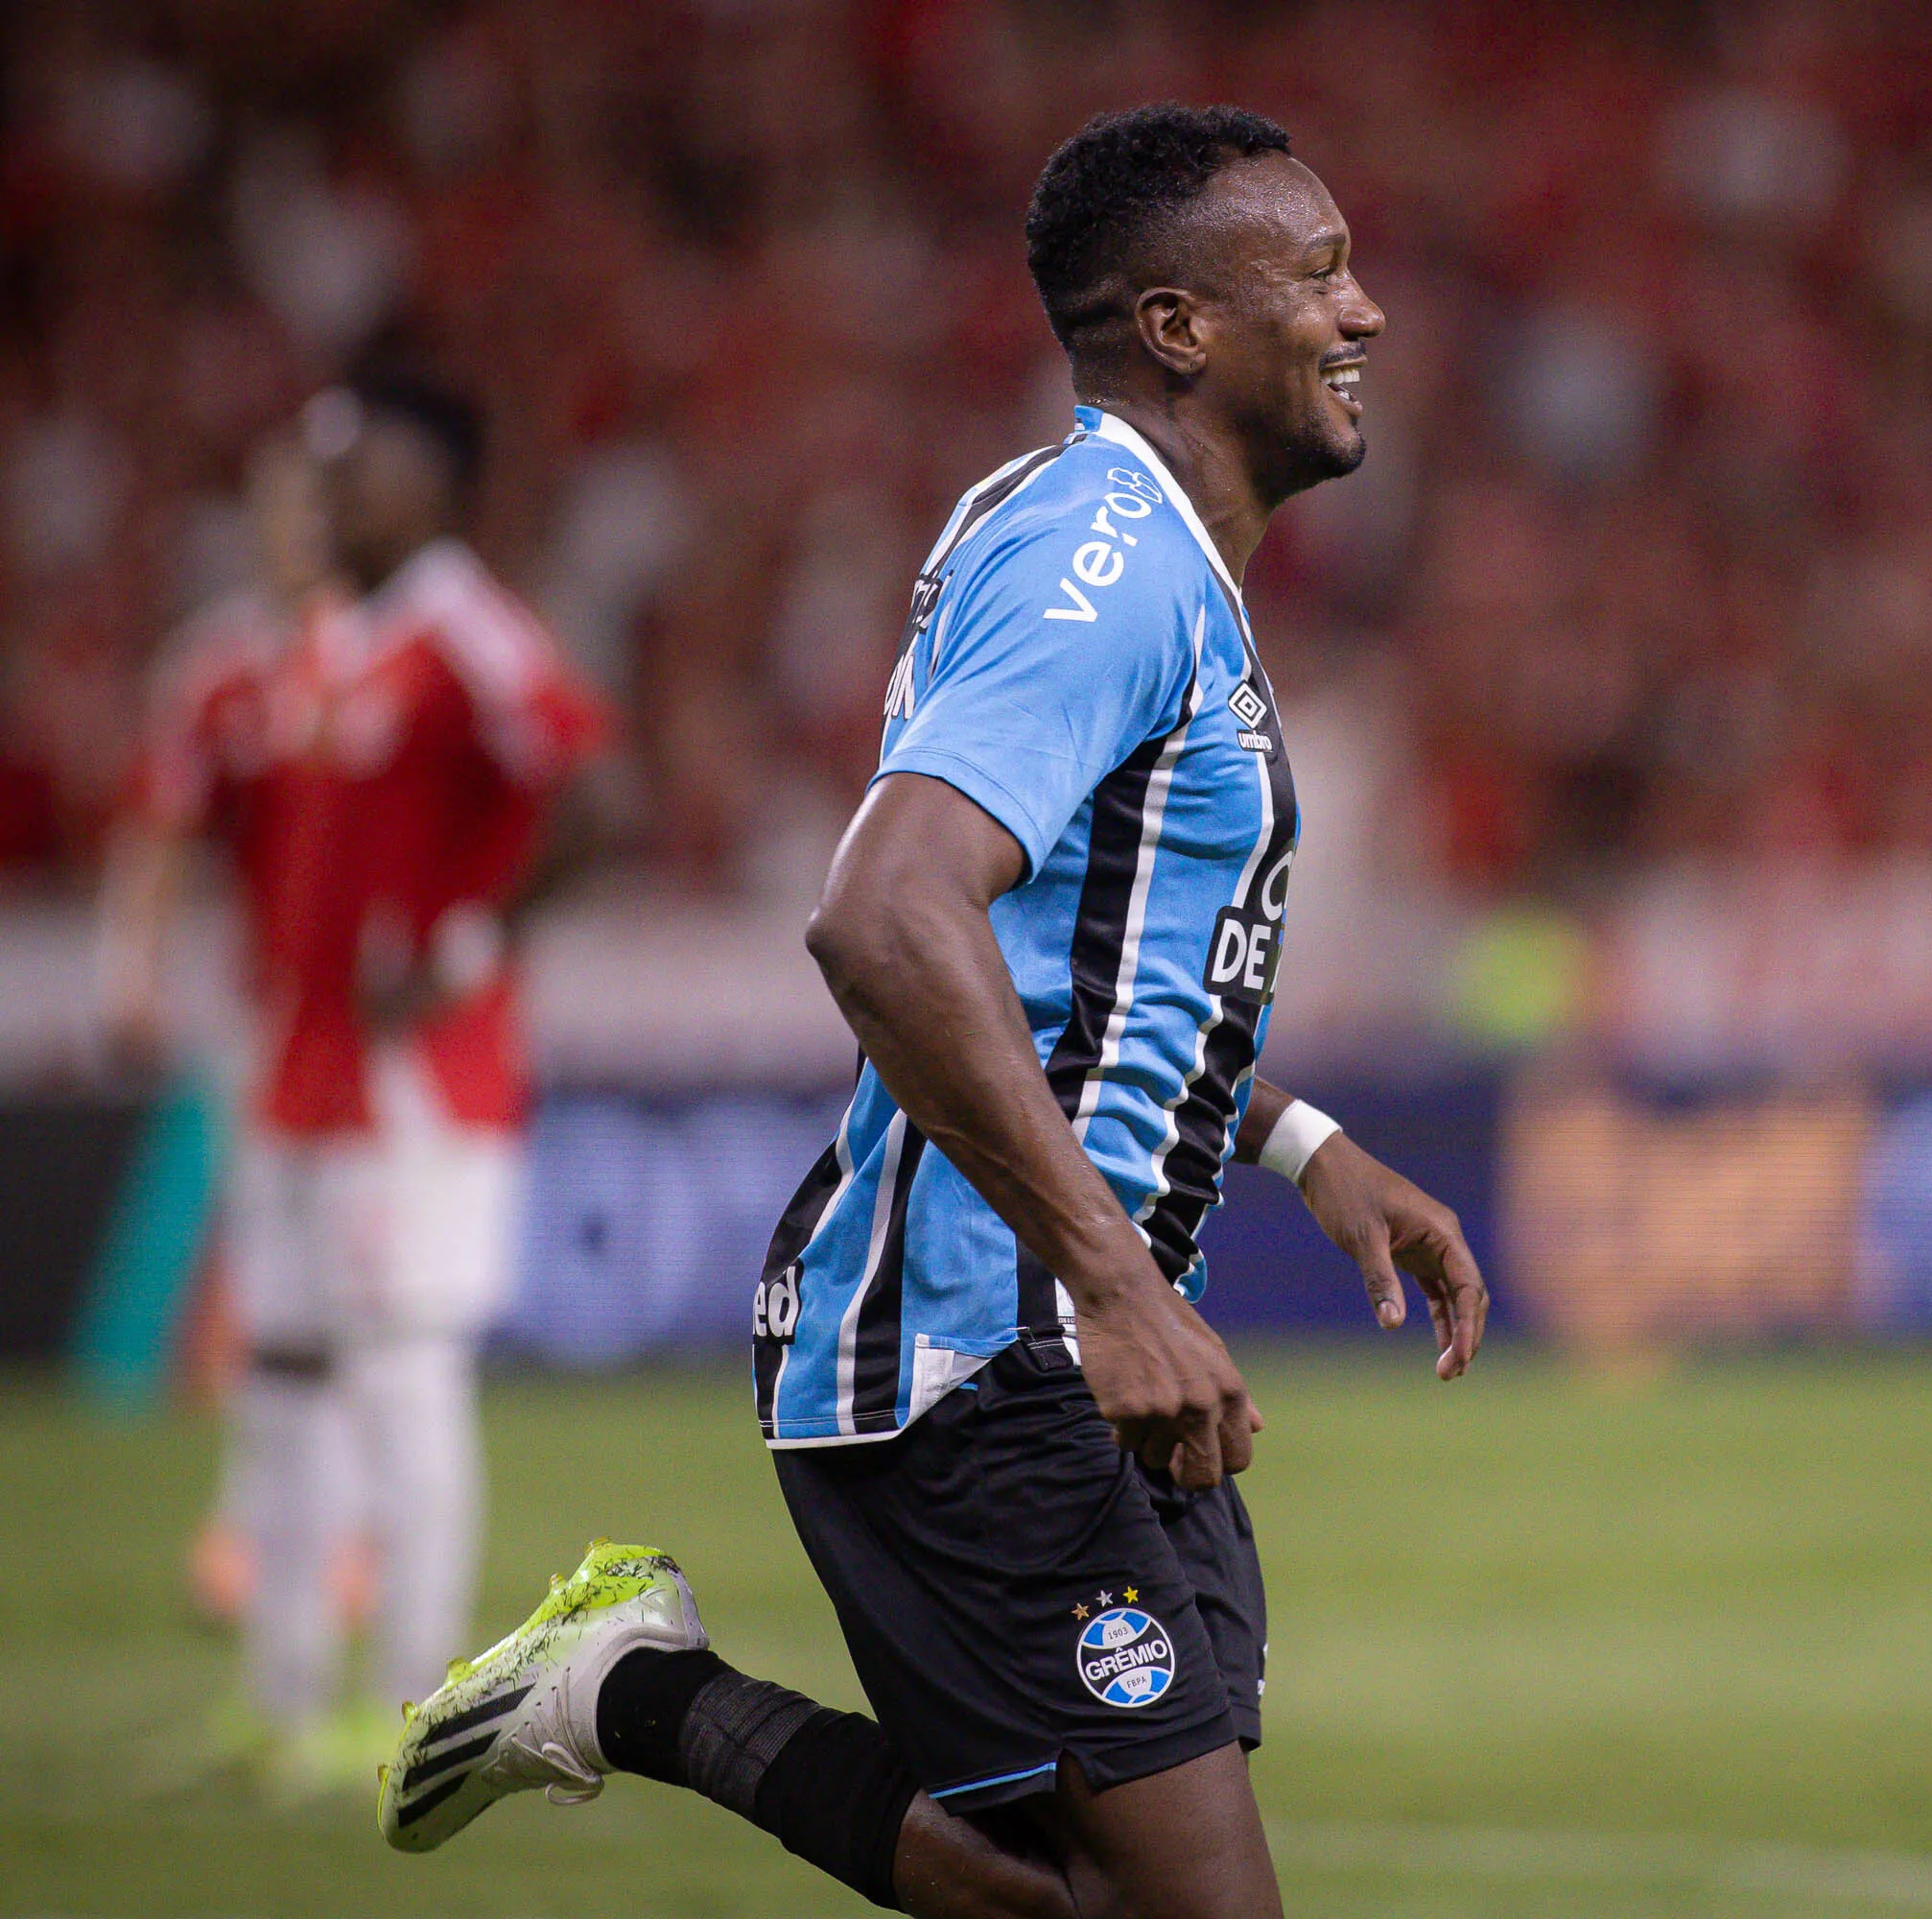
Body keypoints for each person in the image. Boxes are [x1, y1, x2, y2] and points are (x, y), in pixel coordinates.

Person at [379, 105, 1487, 1919]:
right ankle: (637, 1696)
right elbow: (885, 920)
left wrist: (1298, 1141)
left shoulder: (1124, 550)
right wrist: (1115, 1286)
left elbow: (1075, 964)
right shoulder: (1107, 567)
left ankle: (626, 1690)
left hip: (1059, 1325)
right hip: (984, 1349)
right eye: (1316, 272)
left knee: (1082, 1898)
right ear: (1179, 328)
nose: (1364, 312)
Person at [106, 379, 609, 1788]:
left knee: (400, 1370)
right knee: (280, 1370)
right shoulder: (320, 649)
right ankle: (282, 1701)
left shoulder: (464, 630)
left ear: (429, 483)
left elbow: (593, 791)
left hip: (419, 1085)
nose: (323, 489)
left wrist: (461, 944)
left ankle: (418, 1709)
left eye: (353, 464)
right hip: (296, 1066)